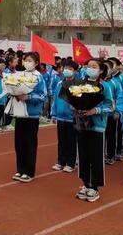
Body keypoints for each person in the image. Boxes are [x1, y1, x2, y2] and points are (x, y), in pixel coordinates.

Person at [75, 58, 113, 203]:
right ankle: (85, 183)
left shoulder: (105, 86)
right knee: (83, 155)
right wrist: (75, 106)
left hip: (97, 126)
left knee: (95, 156)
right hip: (82, 125)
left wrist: (95, 110)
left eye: (94, 66)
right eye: (88, 66)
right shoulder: (80, 84)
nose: (89, 68)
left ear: (101, 70)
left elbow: (110, 106)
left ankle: (94, 187)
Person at [12, 52, 47, 183]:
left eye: (30, 60)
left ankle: (29, 171)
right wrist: (13, 92)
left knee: (29, 143)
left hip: (31, 115)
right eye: (25, 60)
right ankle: (20, 169)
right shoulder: (19, 75)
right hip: (20, 112)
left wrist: (29, 97)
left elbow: (43, 96)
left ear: (36, 63)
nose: (27, 62)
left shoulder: (39, 77)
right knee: (19, 143)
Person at [51, 60, 78, 173]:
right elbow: (55, 99)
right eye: (65, 68)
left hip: (72, 118)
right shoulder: (59, 83)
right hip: (60, 117)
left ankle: (71, 163)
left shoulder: (78, 85)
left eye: (70, 69)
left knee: (71, 141)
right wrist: (53, 114)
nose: (66, 71)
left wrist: (75, 107)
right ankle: (61, 161)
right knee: (61, 141)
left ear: (75, 71)